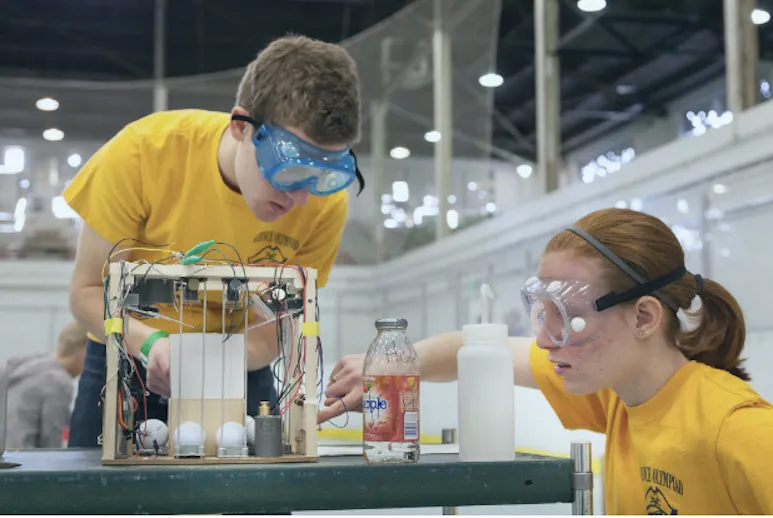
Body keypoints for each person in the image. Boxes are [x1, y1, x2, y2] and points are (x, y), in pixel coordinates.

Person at [321, 208, 773, 514]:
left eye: (570, 318)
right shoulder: (618, 398)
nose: (545, 339)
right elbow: (478, 347)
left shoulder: (736, 427)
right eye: (544, 313)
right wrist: (395, 364)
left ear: (643, 316)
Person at [63, 34, 364, 448]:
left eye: (323, 178)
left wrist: (202, 363)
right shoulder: (143, 153)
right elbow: (86, 292)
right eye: (290, 172)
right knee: (97, 504)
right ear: (242, 126)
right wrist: (151, 343)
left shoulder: (324, 206)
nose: (300, 199)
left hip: (240, 364)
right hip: (127, 354)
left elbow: (271, 331)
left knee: (257, 505)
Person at [3, 320, 87, 449]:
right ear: (83, 351)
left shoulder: (26, 365)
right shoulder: (58, 381)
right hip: (24, 460)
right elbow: (51, 441)